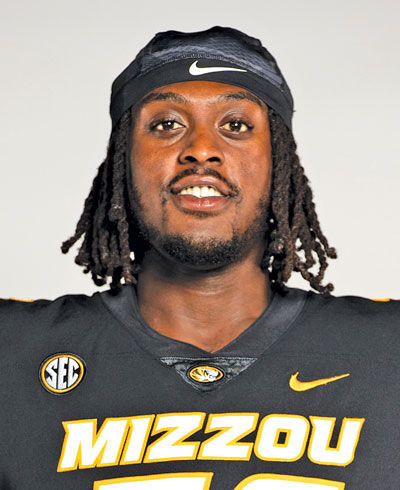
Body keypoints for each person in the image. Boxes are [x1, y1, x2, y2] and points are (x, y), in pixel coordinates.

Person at [0, 26, 398, 490]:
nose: (202, 150)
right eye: (167, 124)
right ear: (123, 161)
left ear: (279, 162)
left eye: (236, 125)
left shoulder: (387, 351)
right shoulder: (13, 351)